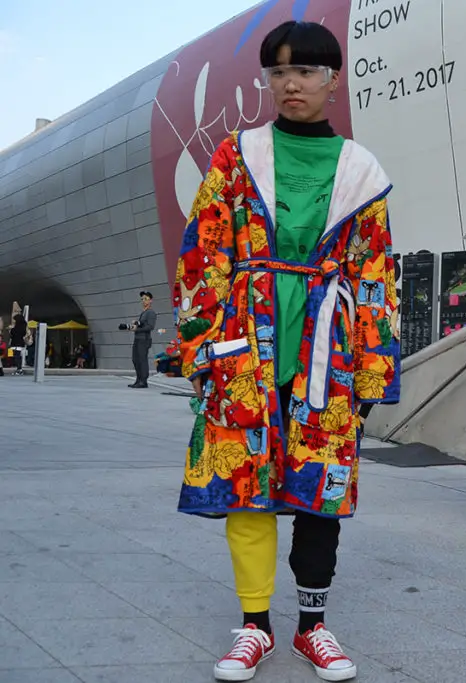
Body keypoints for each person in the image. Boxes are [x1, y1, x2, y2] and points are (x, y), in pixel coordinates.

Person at [172, 20, 399, 682]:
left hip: (327, 350)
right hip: (245, 347)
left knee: (317, 489)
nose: (290, 84)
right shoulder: (236, 156)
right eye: (277, 72)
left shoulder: (362, 171)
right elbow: (202, 252)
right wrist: (202, 347)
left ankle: (312, 626)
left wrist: (373, 368)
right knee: (247, 486)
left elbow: (375, 275)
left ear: (333, 79)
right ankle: (254, 626)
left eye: (305, 72)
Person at [129, 291, 157, 388]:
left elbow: (150, 326)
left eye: (146, 299)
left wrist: (138, 328)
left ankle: (143, 381)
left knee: (142, 360)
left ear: (150, 301)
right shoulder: (143, 313)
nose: (143, 301)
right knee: (135, 359)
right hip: (137, 339)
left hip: (144, 339)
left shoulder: (151, 313)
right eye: (142, 299)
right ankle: (138, 379)